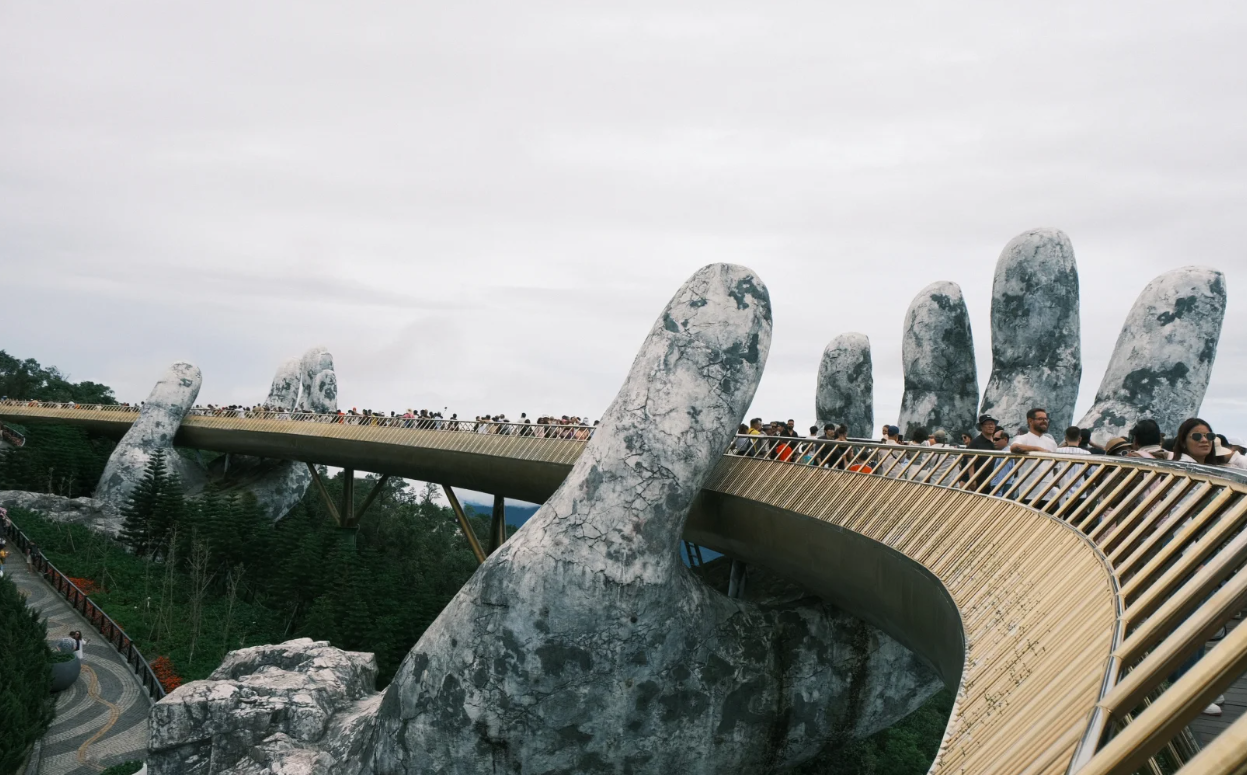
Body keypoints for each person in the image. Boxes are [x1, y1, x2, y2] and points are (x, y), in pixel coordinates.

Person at [1010, 409, 1059, 505]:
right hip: (1028, 492)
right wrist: (1037, 449)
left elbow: (1055, 469)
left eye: (1046, 419)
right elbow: (1014, 447)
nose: (1044, 421)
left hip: (1049, 492)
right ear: (1030, 421)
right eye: (1040, 419)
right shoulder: (1023, 438)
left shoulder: (1051, 443)